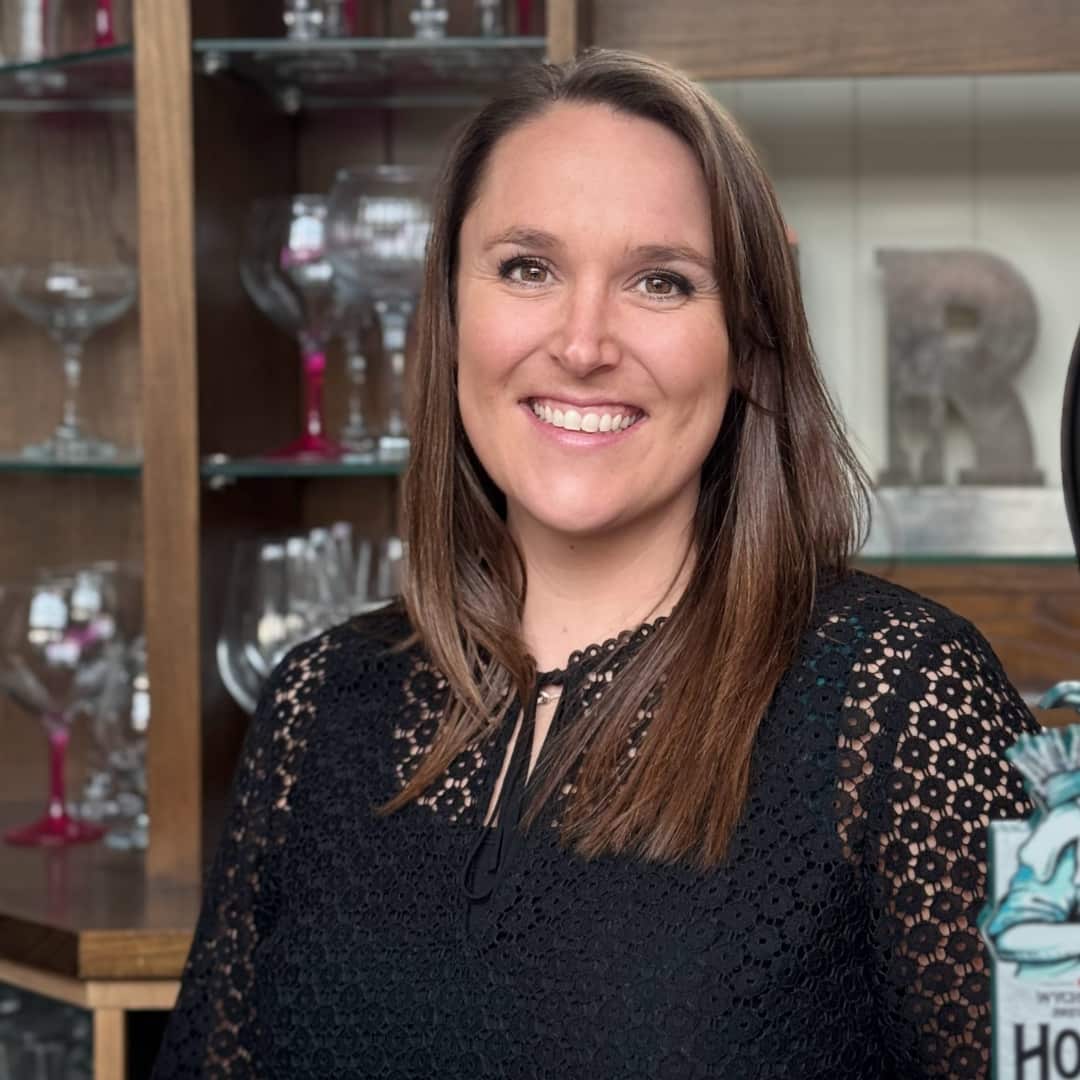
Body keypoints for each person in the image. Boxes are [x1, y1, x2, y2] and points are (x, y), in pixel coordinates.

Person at [153, 48, 1039, 1079]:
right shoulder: (318, 703)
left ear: (748, 343)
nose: (583, 343)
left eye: (660, 282)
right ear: (448, 314)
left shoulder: (898, 700)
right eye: (527, 267)